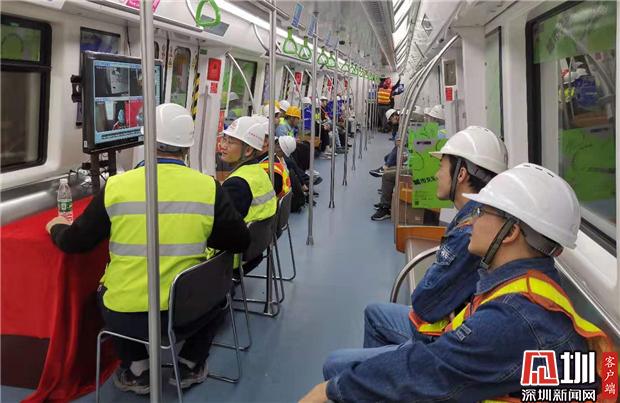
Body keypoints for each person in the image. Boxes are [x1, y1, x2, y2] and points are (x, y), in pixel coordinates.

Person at [302, 163, 614, 402]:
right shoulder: (531, 285)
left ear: (510, 232)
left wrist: (331, 391)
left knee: (338, 371)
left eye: (482, 212)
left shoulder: (514, 318)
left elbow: (428, 370)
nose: (472, 220)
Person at [45, 103, 250, 394]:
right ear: (187, 147)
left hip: (127, 316)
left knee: (104, 293)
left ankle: (138, 369)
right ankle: (190, 363)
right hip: (189, 312)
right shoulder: (208, 187)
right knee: (218, 288)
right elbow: (239, 241)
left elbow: (75, 243)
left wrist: (56, 227)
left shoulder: (116, 186)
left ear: (147, 141)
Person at [218, 116, 278, 272]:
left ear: (248, 150)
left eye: (231, 142)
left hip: (231, 261)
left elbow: (222, 231)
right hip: (255, 251)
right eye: (224, 139)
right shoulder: (259, 172)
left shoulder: (237, 184)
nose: (223, 146)